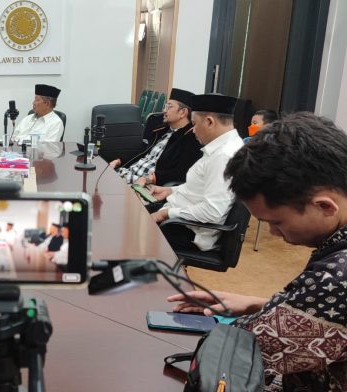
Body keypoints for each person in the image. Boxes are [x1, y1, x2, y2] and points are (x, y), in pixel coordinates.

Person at [168, 112, 347, 391]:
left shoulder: (336, 277)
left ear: (325, 206)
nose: (275, 234)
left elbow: (240, 352)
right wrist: (258, 302)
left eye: (276, 222)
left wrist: (253, 316)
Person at [147, 94, 244, 251]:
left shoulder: (223, 156)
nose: (192, 131)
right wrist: (170, 190)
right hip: (179, 217)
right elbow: (201, 187)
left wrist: (166, 214)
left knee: (124, 229)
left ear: (209, 122)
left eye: (194, 124)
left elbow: (213, 211)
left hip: (188, 230)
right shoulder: (225, 146)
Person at [111, 88, 202, 185]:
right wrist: (119, 160)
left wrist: (150, 179)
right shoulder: (161, 131)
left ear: (183, 112)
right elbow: (141, 152)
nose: (164, 110)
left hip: (143, 185)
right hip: (126, 174)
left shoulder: (191, 139)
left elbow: (180, 173)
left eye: (169, 107)